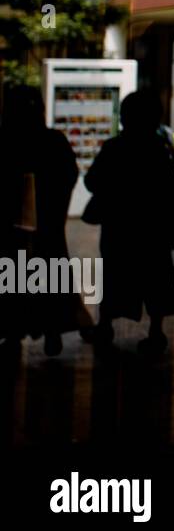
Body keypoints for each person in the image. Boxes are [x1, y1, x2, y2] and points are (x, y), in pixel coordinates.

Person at [84, 90, 174, 356]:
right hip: (153, 229)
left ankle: (105, 326)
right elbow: (173, 189)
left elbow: (92, 181)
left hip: (119, 227)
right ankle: (156, 331)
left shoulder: (115, 147)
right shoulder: (162, 149)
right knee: (156, 278)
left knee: (114, 274)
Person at [0, 85, 82, 358]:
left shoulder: (6, 140)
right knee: (51, 276)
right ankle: (52, 332)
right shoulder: (53, 141)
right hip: (49, 225)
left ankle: (13, 334)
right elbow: (69, 174)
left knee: (12, 278)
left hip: (12, 227)